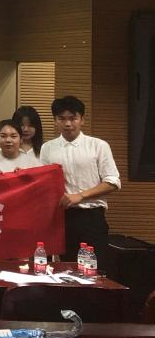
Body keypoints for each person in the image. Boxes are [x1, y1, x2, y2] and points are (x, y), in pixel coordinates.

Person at [39, 95, 120, 270]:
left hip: (91, 217)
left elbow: (112, 181)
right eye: (62, 119)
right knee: (67, 270)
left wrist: (81, 196)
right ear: (55, 121)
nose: (67, 124)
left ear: (82, 120)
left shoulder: (98, 146)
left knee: (95, 269)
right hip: (62, 218)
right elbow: (43, 182)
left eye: (73, 118)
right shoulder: (47, 148)